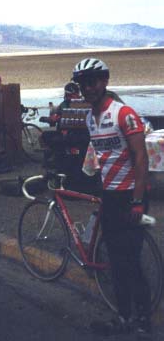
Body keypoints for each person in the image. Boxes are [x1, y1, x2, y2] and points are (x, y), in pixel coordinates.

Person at [72, 58, 152, 336]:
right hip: (110, 196)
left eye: (92, 81)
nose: (88, 88)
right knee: (117, 261)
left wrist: (138, 200)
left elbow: (141, 158)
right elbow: (102, 158)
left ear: (104, 81)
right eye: (82, 84)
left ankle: (140, 318)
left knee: (129, 260)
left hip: (131, 195)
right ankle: (125, 317)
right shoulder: (89, 119)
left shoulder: (123, 113)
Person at [39, 82, 90, 184]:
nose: (69, 97)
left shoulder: (80, 104)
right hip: (72, 136)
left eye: (70, 94)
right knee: (44, 136)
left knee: (51, 140)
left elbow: (55, 119)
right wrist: (52, 119)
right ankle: (51, 156)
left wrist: (51, 119)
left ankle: (53, 158)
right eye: (68, 95)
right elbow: (55, 118)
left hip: (75, 137)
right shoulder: (70, 103)